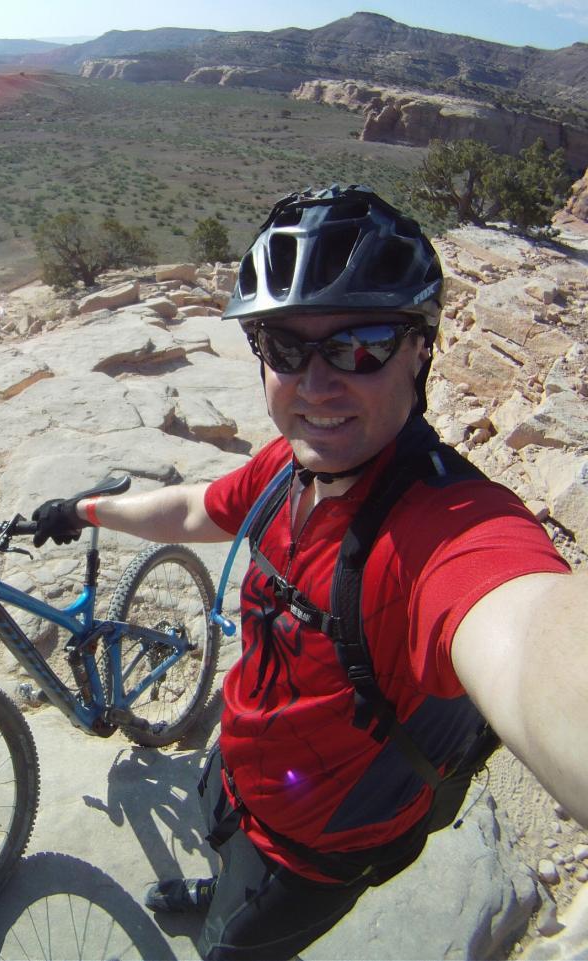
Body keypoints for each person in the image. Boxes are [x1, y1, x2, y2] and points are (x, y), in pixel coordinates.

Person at [30, 185, 587, 960]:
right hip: (242, 767)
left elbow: (525, 628)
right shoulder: (286, 470)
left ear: (421, 349)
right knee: (223, 855)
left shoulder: (444, 527)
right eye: (285, 347)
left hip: (318, 845)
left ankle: (227, 916)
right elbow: (198, 510)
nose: (316, 384)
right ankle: (217, 884)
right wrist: (89, 512)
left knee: (236, 945)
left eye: (360, 345)